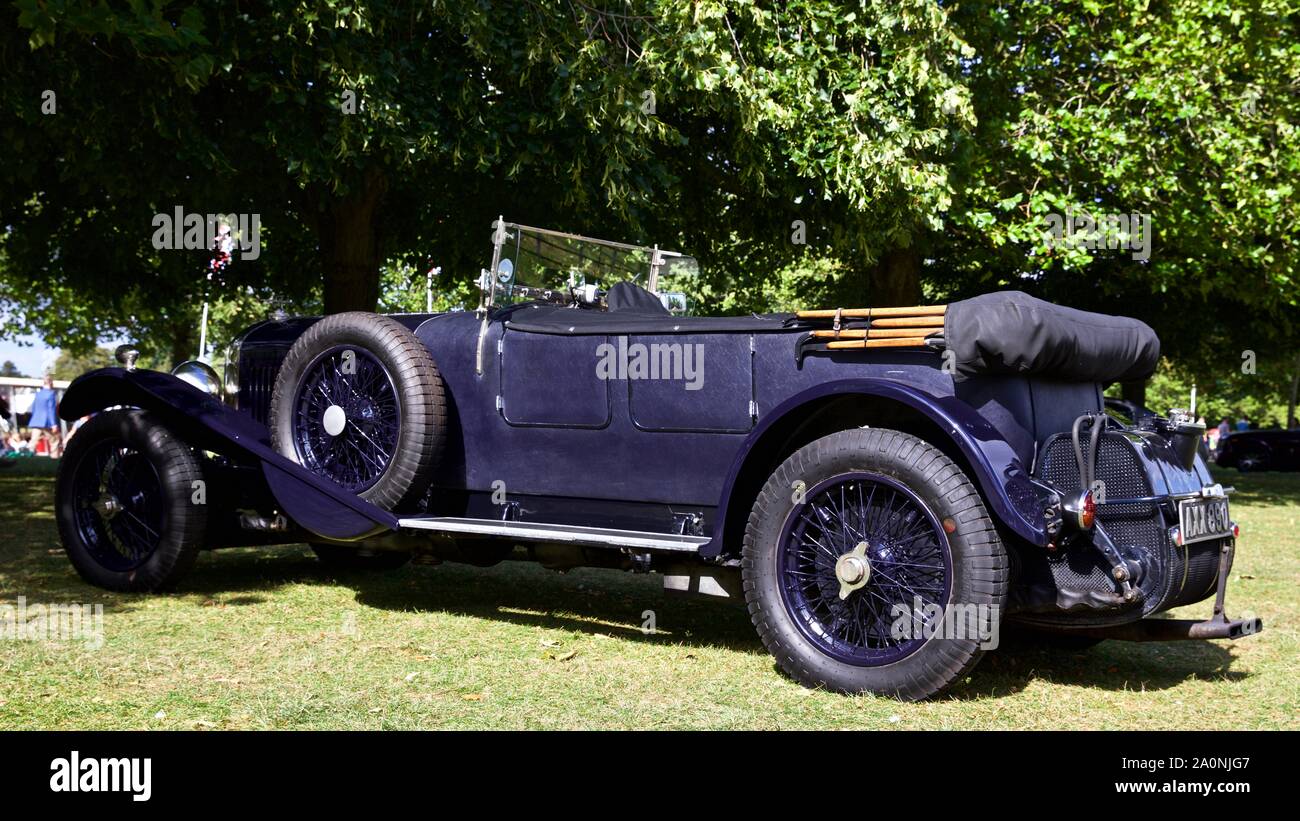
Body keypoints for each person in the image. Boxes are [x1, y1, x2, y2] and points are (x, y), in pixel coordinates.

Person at [27, 375, 62, 458]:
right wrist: (53, 424)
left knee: (33, 441)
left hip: (36, 420)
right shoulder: (51, 394)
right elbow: (51, 410)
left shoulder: (38, 394)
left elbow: (33, 408)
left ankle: (27, 456)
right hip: (47, 422)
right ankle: (54, 458)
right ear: (51, 383)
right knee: (54, 440)